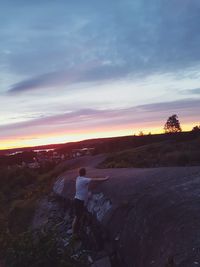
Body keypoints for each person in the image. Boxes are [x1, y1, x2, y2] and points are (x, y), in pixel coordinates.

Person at [72, 167, 109, 237]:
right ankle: (74, 233)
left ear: (79, 173)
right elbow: (95, 180)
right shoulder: (84, 179)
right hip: (79, 201)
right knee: (77, 217)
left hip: (78, 200)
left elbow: (86, 179)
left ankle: (78, 230)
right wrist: (105, 178)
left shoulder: (78, 178)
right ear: (85, 173)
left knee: (79, 216)